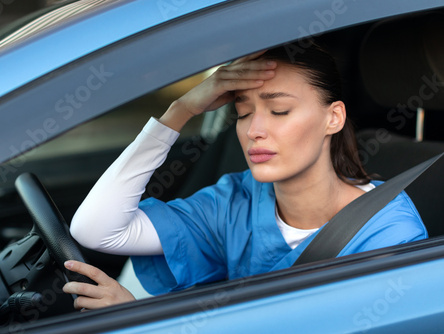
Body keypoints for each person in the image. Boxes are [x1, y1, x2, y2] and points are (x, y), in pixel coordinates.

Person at [62, 43, 427, 310]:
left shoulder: (388, 234)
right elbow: (96, 228)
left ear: (333, 118)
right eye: (243, 112)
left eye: (279, 110)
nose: (254, 130)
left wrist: (140, 321)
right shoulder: (237, 199)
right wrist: (181, 108)